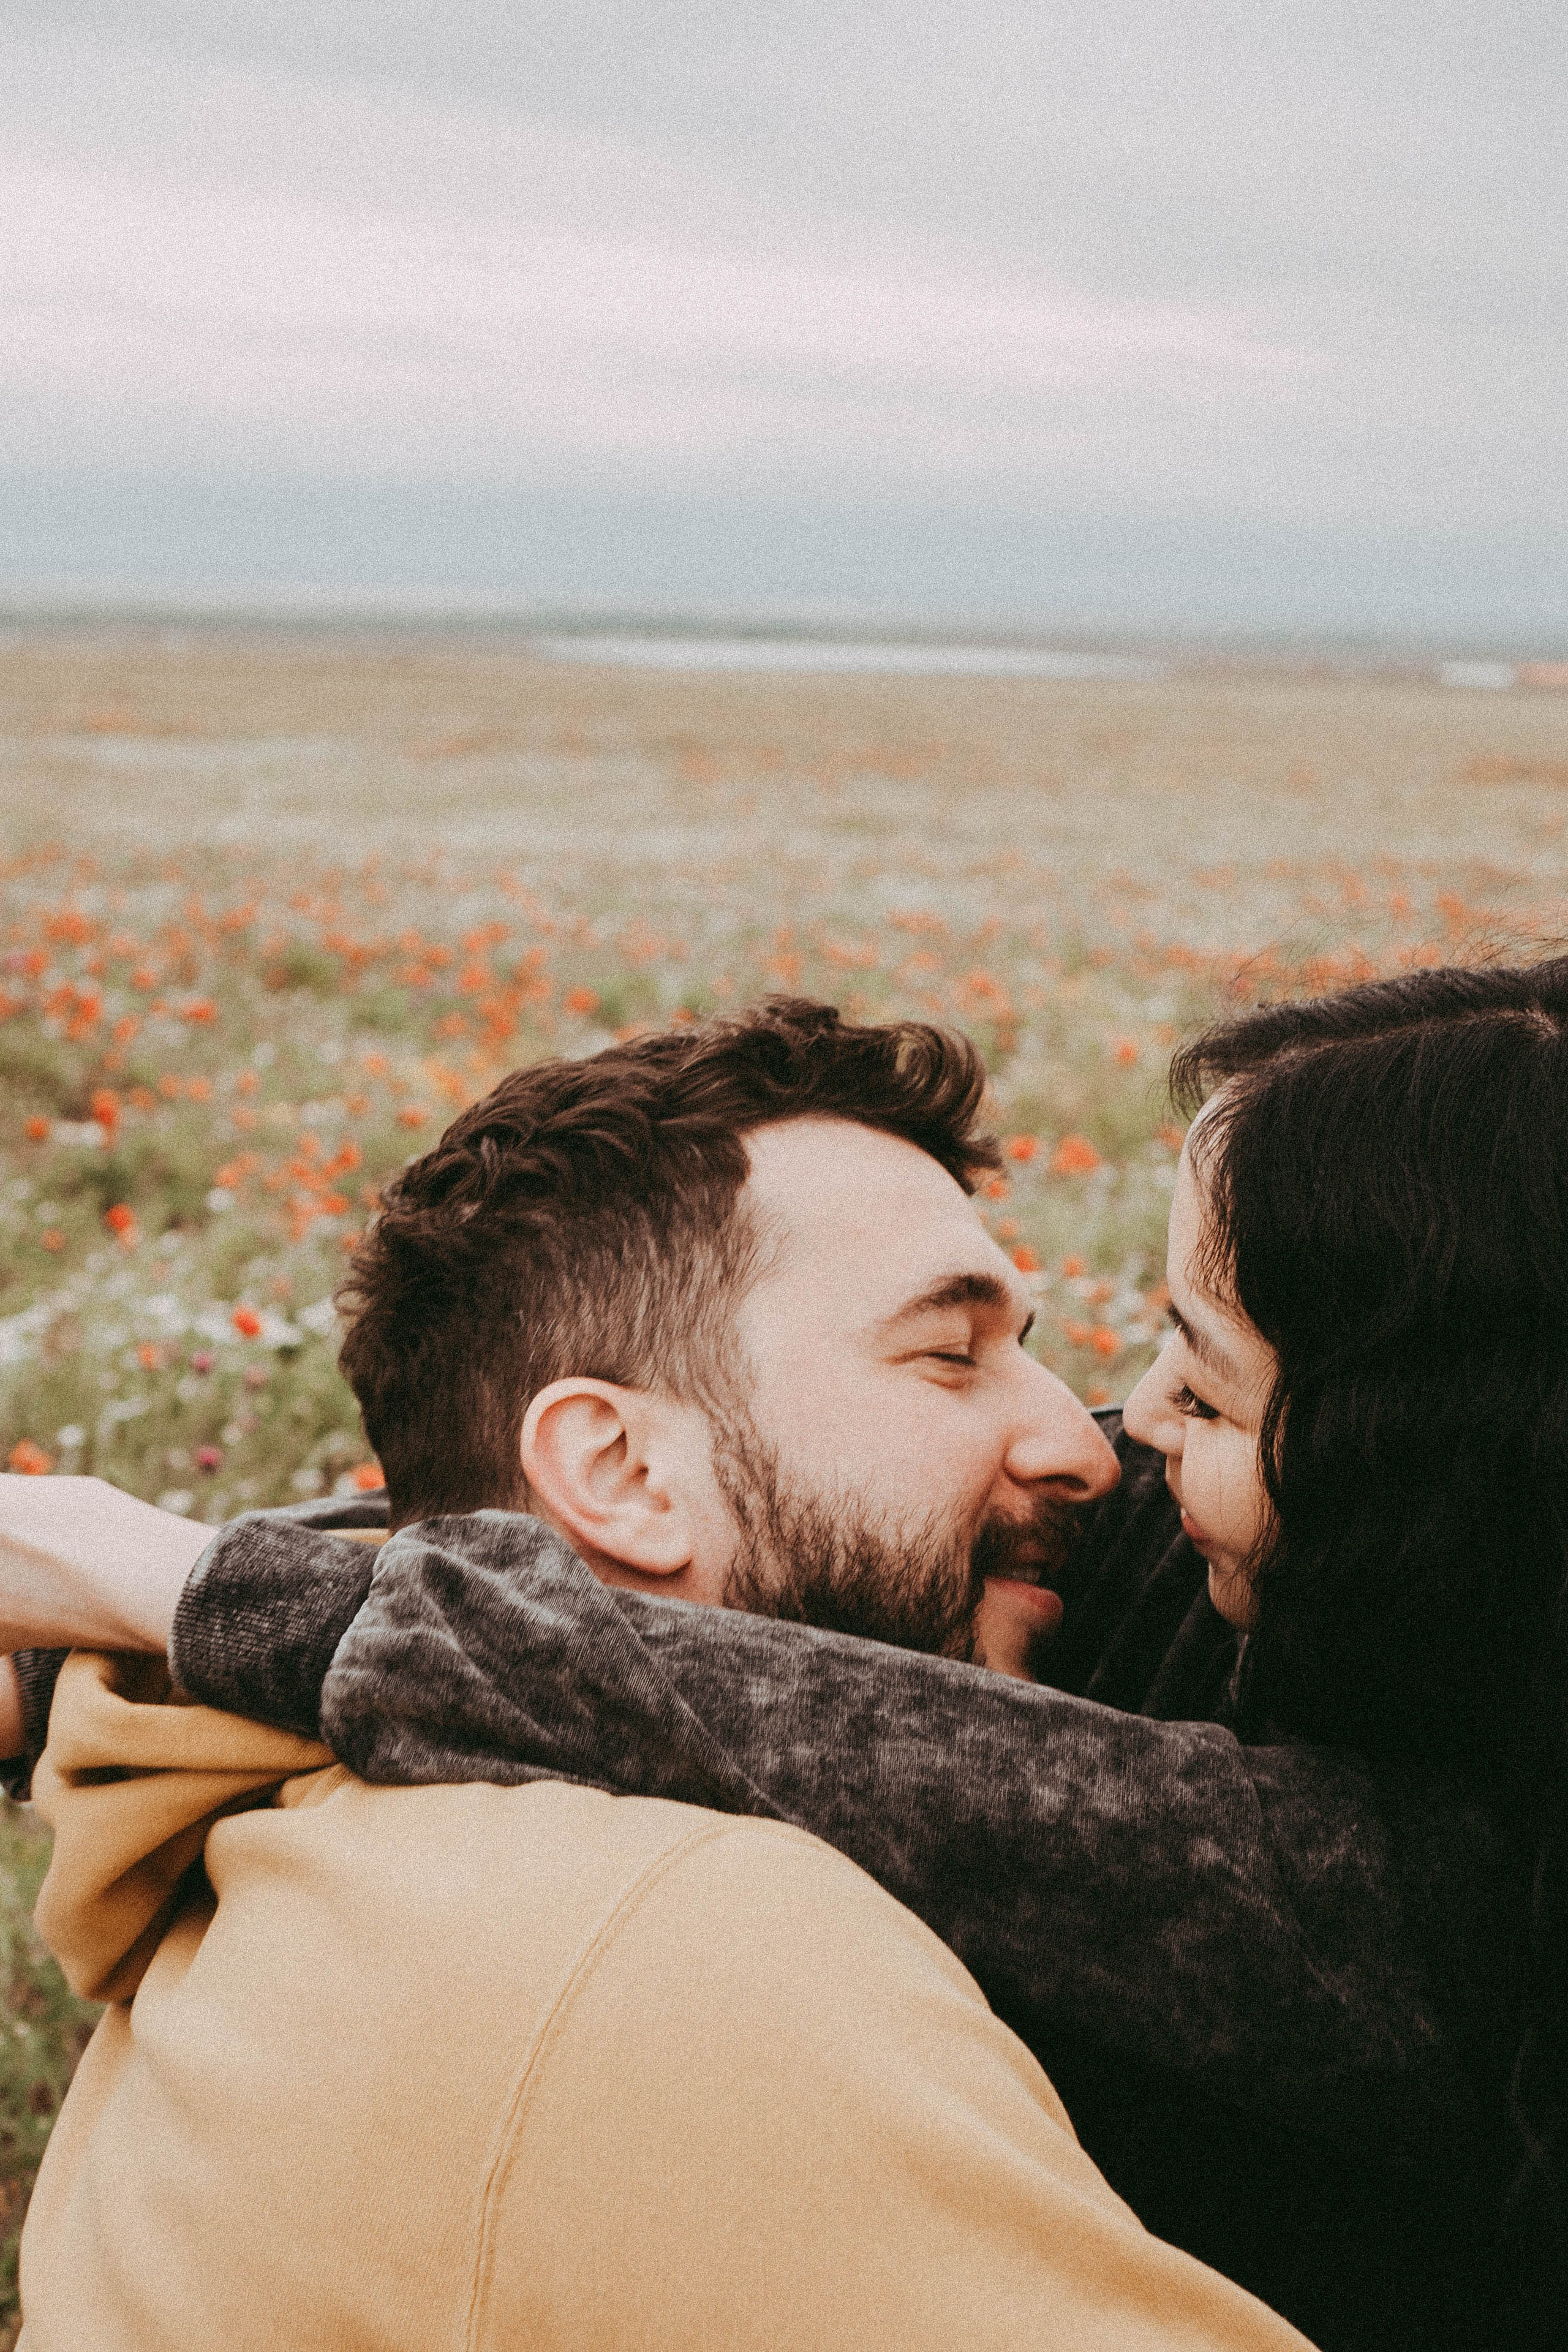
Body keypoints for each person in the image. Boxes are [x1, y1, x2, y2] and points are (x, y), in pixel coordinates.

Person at [6, 972, 1565, 2343]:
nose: (1107, 1441)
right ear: (609, 1470)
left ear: (1428, 1487)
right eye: (947, 1351)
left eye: (1213, 1396)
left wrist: (188, 1586)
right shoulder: (681, 1953)